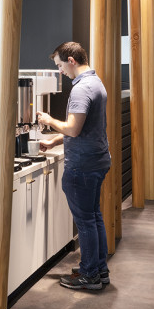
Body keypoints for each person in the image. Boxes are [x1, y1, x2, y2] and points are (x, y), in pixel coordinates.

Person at [36, 41, 111, 291]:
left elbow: (74, 128)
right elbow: (87, 128)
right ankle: (98, 269)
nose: (60, 71)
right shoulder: (95, 82)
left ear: (71, 61)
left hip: (82, 166)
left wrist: (49, 120)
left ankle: (90, 275)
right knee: (94, 218)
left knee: (86, 222)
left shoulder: (80, 89)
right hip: (97, 160)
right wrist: (56, 140)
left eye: (59, 66)